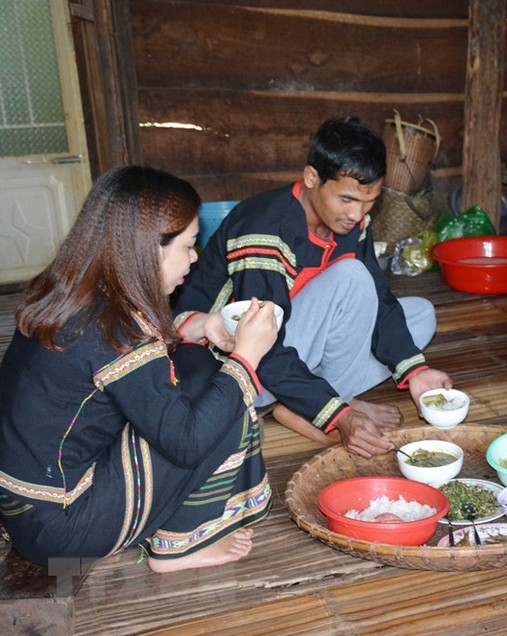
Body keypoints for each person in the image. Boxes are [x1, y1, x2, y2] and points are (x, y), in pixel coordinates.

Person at [0, 166, 278, 573]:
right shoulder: (117, 327)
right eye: (187, 246)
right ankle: (180, 545)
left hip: (23, 506)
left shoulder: (70, 287)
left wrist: (202, 326)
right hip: (62, 530)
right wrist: (247, 357)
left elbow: (138, 363)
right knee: (228, 398)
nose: (195, 257)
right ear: (149, 249)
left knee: (197, 363)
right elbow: (188, 441)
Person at [174, 117, 452, 458]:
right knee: (351, 276)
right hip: (238, 365)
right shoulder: (264, 230)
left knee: (420, 314)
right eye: (347, 199)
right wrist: (342, 417)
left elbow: (378, 297)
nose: (357, 213)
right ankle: (323, 406)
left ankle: (309, 396)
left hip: (300, 339)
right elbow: (259, 341)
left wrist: (417, 372)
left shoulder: (354, 220)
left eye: (369, 202)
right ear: (311, 178)